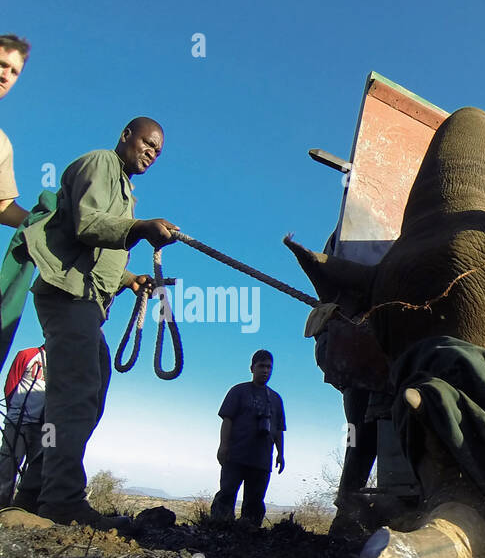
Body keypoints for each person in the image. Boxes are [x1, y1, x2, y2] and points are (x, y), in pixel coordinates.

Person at [12, 117, 177, 528]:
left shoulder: (124, 189)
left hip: (86, 303)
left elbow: (94, 252)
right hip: (68, 297)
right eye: (147, 143)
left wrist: (128, 279)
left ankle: (35, 491)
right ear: (126, 136)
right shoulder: (101, 163)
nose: (151, 153)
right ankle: (61, 500)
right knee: (77, 393)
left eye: (157, 151)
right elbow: (87, 226)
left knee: (85, 388)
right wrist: (140, 227)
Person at [212, 350, 286, 528]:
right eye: (261, 366)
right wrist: (223, 446)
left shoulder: (276, 399)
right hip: (236, 455)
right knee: (227, 494)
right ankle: (218, 530)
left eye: (269, 367)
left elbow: (279, 430)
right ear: (252, 368)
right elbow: (227, 419)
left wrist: (280, 454)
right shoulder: (239, 391)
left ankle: (248, 536)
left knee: (254, 501)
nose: (265, 370)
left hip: (261, 460)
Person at [0, 343, 43, 505]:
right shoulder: (27, 354)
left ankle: (28, 506)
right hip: (19, 420)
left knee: (44, 465)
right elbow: (11, 385)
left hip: (49, 428)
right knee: (8, 464)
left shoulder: (66, 364)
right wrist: (15, 413)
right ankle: (2, 505)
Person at [0, 34, 31, 228]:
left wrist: (51, 223)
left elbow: (3, 207)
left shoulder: (2, 144)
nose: (5, 76)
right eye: (2, 64)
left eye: (14, 72)